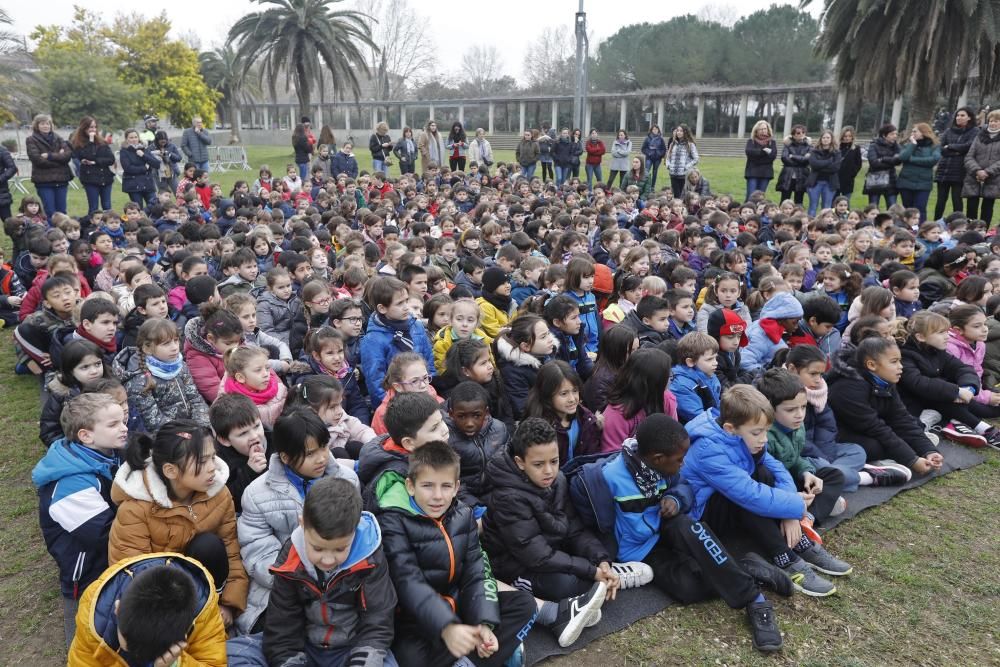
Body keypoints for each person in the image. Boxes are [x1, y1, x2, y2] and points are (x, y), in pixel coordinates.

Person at [596, 414, 787, 652]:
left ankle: (754, 600)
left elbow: (682, 485)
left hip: (667, 528)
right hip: (640, 551)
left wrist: (675, 499)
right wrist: (605, 560)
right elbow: (598, 526)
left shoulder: (664, 464)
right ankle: (745, 568)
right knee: (688, 588)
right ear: (658, 458)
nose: (683, 464)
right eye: (679, 460)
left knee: (688, 526)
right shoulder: (608, 478)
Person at [374, 441, 534, 667]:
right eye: (428, 486)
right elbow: (407, 581)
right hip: (416, 619)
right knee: (410, 659)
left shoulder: (462, 513)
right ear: (410, 485)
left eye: (446, 486)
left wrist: (484, 623)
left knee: (524, 604)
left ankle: (470, 655)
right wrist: (447, 626)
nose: (438, 496)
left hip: (459, 604)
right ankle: (480, 657)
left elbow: (476, 570)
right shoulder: (392, 520)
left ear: (457, 487)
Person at [683, 385, 850, 597]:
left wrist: (790, 512)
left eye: (766, 431)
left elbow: (777, 468)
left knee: (763, 473)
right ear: (729, 428)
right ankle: (784, 556)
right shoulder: (708, 450)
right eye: (757, 433)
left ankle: (799, 543)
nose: (764, 439)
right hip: (704, 517)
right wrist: (796, 506)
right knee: (747, 494)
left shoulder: (745, 432)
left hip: (739, 501)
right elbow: (750, 495)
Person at [481, 418, 618, 648]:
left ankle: (608, 575)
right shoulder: (507, 497)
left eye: (554, 461)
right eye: (538, 464)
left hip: (549, 549)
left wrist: (600, 561)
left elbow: (574, 528)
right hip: (514, 565)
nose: (549, 471)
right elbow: (535, 555)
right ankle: (601, 585)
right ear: (520, 462)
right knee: (565, 585)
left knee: (607, 546)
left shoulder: (558, 480)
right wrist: (591, 571)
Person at [108, 420, 248, 627]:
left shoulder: (218, 493)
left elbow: (231, 549)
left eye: (213, 458)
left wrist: (229, 604)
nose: (212, 469)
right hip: (163, 593)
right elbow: (134, 575)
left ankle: (213, 606)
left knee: (209, 545)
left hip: (209, 583)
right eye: (202, 462)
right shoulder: (135, 510)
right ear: (171, 471)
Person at [236, 409, 360, 635]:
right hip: (284, 585)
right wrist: (304, 578)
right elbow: (257, 553)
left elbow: (358, 535)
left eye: (324, 446)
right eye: (310, 453)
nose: (322, 457)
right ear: (285, 457)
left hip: (339, 579)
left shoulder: (346, 480)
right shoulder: (257, 494)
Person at [263, 477, 399, 667]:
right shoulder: (290, 559)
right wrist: (290, 661)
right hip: (305, 646)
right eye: (318, 549)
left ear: (355, 529)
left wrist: (367, 654)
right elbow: (282, 625)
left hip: (352, 647)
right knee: (237, 654)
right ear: (303, 524)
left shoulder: (370, 558)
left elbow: (378, 617)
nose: (327, 560)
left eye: (339, 549)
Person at [32, 393, 128, 646]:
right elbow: (105, 535)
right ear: (86, 435)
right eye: (113, 424)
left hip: (108, 555)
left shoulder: (107, 453)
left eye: (123, 420)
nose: (124, 428)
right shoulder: (70, 485)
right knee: (91, 635)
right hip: (87, 569)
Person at [68, 553, 228, 666]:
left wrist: (177, 664)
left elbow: (214, 662)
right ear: (117, 609)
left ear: (177, 640)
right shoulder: (93, 617)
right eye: (127, 646)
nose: (134, 655)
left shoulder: (202, 611)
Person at [827, 335, 944, 475]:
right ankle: (875, 465)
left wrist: (928, 450)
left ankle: (904, 451)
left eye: (900, 361)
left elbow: (901, 418)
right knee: (874, 447)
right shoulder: (848, 387)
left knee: (911, 425)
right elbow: (875, 428)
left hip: (867, 429)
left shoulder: (883, 379)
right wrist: (911, 460)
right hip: (839, 436)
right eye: (894, 362)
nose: (901, 367)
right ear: (871, 365)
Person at [756, 369, 847, 525]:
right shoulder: (763, 435)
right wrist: (792, 495)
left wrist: (806, 472)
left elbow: (794, 457)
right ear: (770, 408)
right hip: (773, 489)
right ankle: (804, 509)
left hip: (792, 480)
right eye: (791, 409)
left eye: (803, 407)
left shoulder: (797, 425)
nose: (799, 414)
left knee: (834, 475)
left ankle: (808, 518)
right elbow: (764, 477)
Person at [113, 319, 210, 430]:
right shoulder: (139, 380)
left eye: (176, 340)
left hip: (192, 428)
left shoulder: (180, 366)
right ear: (147, 348)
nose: (174, 347)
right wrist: (188, 432)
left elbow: (195, 399)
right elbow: (153, 421)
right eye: (166, 343)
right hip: (168, 436)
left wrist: (203, 427)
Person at [361, 276, 435, 407]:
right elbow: (376, 381)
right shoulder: (373, 340)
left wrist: (429, 387)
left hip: (424, 392)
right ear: (382, 308)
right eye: (400, 303)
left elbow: (428, 360)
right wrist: (395, 406)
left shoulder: (416, 326)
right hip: (397, 404)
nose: (406, 307)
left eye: (406, 300)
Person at [601, 348, 677, 451]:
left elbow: (673, 435)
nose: (670, 379)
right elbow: (612, 455)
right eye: (666, 376)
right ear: (652, 381)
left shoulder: (667, 398)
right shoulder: (617, 414)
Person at [25, 113, 73, 220]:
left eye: (48, 124)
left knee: (62, 211)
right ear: (37, 125)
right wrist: (59, 158)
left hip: (61, 179)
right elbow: (37, 160)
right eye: (42, 124)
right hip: (44, 181)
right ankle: (52, 235)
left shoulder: (59, 138)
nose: (46, 126)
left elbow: (67, 156)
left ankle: (63, 234)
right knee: (50, 211)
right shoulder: (31, 140)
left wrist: (50, 156)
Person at [934, 106, 978, 219]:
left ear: (969, 117)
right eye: (958, 115)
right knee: (940, 201)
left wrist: (951, 147)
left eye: (962, 115)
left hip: (960, 170)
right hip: (944, 170)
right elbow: (941, 148)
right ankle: (936, 223)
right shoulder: (949, 131)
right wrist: (956, 152)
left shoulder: (974, 131)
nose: (959, 117)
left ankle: (958, 225)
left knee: (956, 200)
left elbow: (969, 146)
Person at [70, 116, 116, 215]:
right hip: (90, 179)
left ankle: (109, 227)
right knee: (94, 208)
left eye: (95, 127)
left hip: (105, 178)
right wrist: (91, 141)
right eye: (90, 127)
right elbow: (87, 156)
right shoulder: (77, 143)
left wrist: (96, 162)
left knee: (107, 206)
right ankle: (93, 227)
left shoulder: (102, 142)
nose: (93, 130)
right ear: (84, 128)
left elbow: (111, 159)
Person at [896, 123, 941, 222]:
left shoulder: (934, 146)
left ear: (923, 132)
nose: (912, 133)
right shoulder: (908, 144)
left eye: (915, 131)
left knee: (920, 208)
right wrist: (912, 145)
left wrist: (911, 159)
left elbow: (933, 160)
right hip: (906, 182)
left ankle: (920, 229)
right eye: (912, 131)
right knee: (907, 209)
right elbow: (903, 157)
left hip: (923, 183)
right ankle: (908, 229)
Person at [963, 109, 1000, 226]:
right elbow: (969, 156)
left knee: (987, 208)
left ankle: (983, 232)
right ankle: (971, 232)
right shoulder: (979, 136)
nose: (993, 123)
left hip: (993, 179)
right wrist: (977, 170)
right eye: (991, 121)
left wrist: (987, 172)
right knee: (971, 207)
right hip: (974, 178)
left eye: (997, 121)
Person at [120, 129, 161, 208]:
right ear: (126, 139)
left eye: (136, 137)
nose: (134, 139)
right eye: (131, 138)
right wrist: (144, 168)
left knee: (155, 207)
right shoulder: (124, 151)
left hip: (148, 184)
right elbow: (128, 168)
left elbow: (156, 164)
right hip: (134, 185)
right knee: (138, 209)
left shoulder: (144, 149)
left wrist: (143, 155)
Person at [806, 129, 843, 216]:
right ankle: (811, 225)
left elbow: (835, 168)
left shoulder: (836, 152)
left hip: (830, 183)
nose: (825, 139)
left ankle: (825, 226)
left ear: (831, 139)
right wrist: (828, 162)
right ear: (821, 139)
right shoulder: (814, 151)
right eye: (824, 137)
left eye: (828, 137)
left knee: (827, 207)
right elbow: (814, 165)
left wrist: (820, 166)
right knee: (813, 206)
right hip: (815, 182)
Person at [864, 123, 901, 208]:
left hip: (891, 180)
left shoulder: (896, 146)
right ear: (884, 135)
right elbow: (874, 163)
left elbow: (899, 160)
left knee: (892, 208)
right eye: (892, 134)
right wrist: (891, 161)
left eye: (896, 134)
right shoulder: (874, 145)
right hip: (875, 180)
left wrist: (883, 159)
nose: (895, 136)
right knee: (873, 207)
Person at [777, 125, 810, 205]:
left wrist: (793, 156)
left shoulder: (809, 146)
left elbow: (808, 160)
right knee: (784, 200)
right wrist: (801, 160)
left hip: (802, 176)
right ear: (793, 134)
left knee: (799, 201)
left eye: (803, 132)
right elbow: (784, 158)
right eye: (798, 133)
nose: (801, 134)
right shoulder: (788, 146)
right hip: (788, 176)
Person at [744, 120, 777, 201]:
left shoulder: (772, 142)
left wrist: (758, 155)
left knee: (761, 197)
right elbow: (750, 153)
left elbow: (772, 156)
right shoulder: (751, 141)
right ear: (756, 130)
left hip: (766, 173)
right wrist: (764, 152)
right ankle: (748, 211)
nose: (763, 131)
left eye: (765, 129)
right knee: (751, 196)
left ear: (768, 129)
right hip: (752, 172)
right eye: (761, 129)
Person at [151, 130, 183, 194]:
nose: (163, 141)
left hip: (172, 173)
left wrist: (169, 154)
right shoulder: (152, 147)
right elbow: (149, 160)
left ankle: (181, 203)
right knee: (164, 194)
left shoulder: (172, 146)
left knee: (178, 193)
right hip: (159, 175)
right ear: (157, 139)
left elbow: (179, 158)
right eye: (161, 139)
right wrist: (157, 156)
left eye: (165, 139)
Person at [835, 126, 863, 199]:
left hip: (848, 179)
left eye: (849, 136)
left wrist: (853, 173)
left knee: (846, 202)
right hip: (836, 178)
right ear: (842, 136)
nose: (847, 138)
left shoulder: (856, 148)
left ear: (852, 137)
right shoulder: (836, 147)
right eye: (845, 136)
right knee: (834, 202)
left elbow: (858, 163)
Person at [640, 124, 667, 191]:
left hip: (657, 158)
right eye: (653, 129)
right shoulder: (647, 138)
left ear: (658, 130)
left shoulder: (661, 139)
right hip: (649, 158)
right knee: (647, 171)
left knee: (655, 172)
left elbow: (664, 149)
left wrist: (659, 154)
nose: (655, 130)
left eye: (656, 129)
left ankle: (652, 187)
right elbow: (643, 149)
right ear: (651, 130)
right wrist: (649, 153)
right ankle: (645, 185)